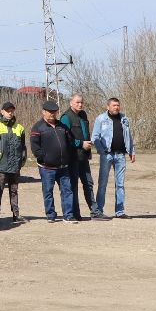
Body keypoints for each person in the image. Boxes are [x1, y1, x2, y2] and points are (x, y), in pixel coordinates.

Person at [29, 100, 76, 222]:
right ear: (43, 112)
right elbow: (35, 147)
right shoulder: (38, 127)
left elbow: (70, 142)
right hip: (47, 167)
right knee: (48, 191)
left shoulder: (62, 127)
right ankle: (50, 214)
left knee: (67, 191)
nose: (52, 114)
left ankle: (68, 215)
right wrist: (44, 158)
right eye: (50, 112)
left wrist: (68, 156)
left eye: (54, 112)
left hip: (63, 167)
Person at [91, 97, 136, 219]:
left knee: (120, 184)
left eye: (118, 105)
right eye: (114, 105)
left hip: (121, 155)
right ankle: (98, 211)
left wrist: (132, 151)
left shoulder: (124, 119)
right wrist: (102, 152)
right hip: (107, 155)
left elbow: (129, 136)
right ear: (108, 107)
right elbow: (94, 137)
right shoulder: (101, 119)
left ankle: (120, 211)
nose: (116, 107)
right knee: (103, 184)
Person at [0, 101, 27, 223]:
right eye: (8, 111)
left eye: (12, 111)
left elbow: (23, 147)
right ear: (2, 111)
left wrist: (21, 161)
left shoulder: (19, 128)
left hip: (14, 166)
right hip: (1, 166)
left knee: (14, 191)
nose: (10, 113)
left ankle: (16, 215)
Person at [59, 93, 96, 221]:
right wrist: (81, 143)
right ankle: (75, 213)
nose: (80, 104)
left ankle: (95, 211)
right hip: (73, 157)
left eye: (81, 102)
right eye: (77, 102)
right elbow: (65, 138)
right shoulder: (66, 117)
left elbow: (86, 133)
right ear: (71, 103)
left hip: (84, 157)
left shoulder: (83, 115)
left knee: (88, 183)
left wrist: (88, 144)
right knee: (73, 186)